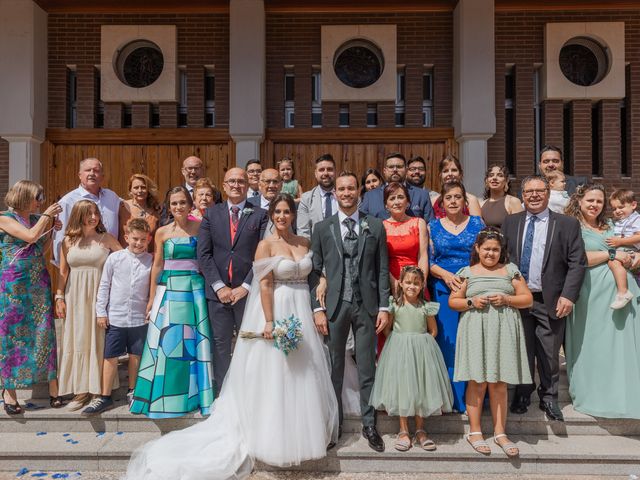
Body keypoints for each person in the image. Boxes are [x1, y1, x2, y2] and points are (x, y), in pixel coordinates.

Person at [124, 194, 339, 480]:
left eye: (288, 212)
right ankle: (272, 434)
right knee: (275, 370)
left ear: (294, 215)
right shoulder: (265, 245)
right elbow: (264, 285)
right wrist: (271, 321)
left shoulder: (304, 243)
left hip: (302, 311)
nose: (283, 217)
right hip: (276, 307)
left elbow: (313, 275)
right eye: (278, 212)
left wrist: (321, 281)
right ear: (272, 215)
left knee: (302, 369)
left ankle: (304, 429)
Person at [310, 172, 390, 452]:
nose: (346, 192)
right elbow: (314, 271)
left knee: (367, 367)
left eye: (351, 188)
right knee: (335, 369)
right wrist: (318, 308)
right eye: (341, 189)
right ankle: (335, 425)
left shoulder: (376, 226)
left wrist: (383, 306)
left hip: (366, 305)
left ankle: (370, 424)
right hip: (335, 305)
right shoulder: (322, 228)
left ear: (359, 192)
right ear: (336, 194)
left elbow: (381, 269)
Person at [502, 175, 586, 422]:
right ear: (522, 195)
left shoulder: (566, 224)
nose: (534, 195)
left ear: (548, 194)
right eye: (529, 192)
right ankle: (523, 392)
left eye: (540, 191)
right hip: (519, 298)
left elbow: (577, 262)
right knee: (523, 350)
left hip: (551, 298)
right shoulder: (510, 222)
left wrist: (569, 296)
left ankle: (549, 397)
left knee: (549, 352)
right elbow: (503, 260)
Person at [130, 187, 214, 418]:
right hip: (169, 290)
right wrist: (151, 297)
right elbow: (157, 264)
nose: (178, 207)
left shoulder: (201, 227)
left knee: (192, 342)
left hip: (193, 290)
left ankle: (194, 395)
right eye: (174, 203)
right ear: (170, 206)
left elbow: (206, 259)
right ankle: (165, 394)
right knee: (167, 342)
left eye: (182, 203)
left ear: (190, 205)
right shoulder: (162, 232)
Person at [449, 227, 533, 457]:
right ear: (477, 248)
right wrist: (471, 302)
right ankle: (475, 432)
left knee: (499, 383)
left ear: (501, 251)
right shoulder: (467, 272)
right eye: (486, 249)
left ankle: (500, 432)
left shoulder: (511, 271)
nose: (491, 253)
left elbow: (527, 299)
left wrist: (507, 299)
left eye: (495, 249)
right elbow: (453, 302)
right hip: (476, 328)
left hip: (504, 329)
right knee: (478, 381)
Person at [564, 184, 640, 419]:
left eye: (599, 201)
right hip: (590, 294)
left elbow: (630, 248)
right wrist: (612, 254)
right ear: (579, 201)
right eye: (590, 200)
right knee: (595, 345)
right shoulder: (571, 227)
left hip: (624, 295)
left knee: (622, 347)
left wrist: (636, 257)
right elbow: (576, 258)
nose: (595, 205)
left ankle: (627, 394)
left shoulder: (612, 226)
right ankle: (596, 393)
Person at [197, 168, 268, 391]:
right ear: (224, 185)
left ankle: (247, 388)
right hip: (218, 294)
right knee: (220, 343)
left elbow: (262, 255)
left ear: (248, 185)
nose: (236, 185)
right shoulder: (211, 214)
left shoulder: (260, 215)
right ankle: (223, 390)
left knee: (249, 341)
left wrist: (246, 286)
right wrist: (219, 287)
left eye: (241, 181)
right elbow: (204, 254)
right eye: (232, 181)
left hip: (247, 292)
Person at [370, 266, 452, 452]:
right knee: (402, 388)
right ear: (400, 283)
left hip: (421, 351)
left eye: (416, 283)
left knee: (420, 389)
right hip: (399, 349)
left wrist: (422, 345)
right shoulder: (395, 305)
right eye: (408, 282)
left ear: (422, 285)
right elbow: (387, 328)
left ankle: (421, 430)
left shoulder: (425, 307)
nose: (412, 286)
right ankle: (403, 430)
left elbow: (433, 331)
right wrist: (399, 342)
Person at [0, 181, 62, 414]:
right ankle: (9, 391)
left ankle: (53, 388)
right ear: (24, 196)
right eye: (38, 196)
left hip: (38, 280)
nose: (41, 201)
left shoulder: (37, 219)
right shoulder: (4, 218)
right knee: (11, 336)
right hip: (13, 284)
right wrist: (47, 217)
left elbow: (38, 248)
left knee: (43, 332)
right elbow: (29, 237)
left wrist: (52, 230)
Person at [55, 200, 122, 411]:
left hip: (99, 296)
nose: (94, 217)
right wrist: (59, 297)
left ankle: (98, 390)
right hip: (74, 296)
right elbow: (63, 272)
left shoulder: (107, 239)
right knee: (77, 338)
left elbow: (124, 264)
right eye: (88, 213)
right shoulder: (66, 242)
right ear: (78, 216)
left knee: (98, 339)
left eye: (96, 213)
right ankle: (80, 390)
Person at [82, 218, 153, 415]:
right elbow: (104, 285)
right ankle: (104, 397)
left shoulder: (151, 261)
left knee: (135, 355)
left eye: (143, 240)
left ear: (148, 240)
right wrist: (101, 312)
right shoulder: (115, 258)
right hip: (116, 317)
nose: (138, 243)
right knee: (110, 356)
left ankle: (133, 391)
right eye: (135, 239)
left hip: (140, 318)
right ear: (127, 237)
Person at [428, 181, 484, 412]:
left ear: (465, 201)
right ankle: (449, 397)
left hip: (473, 288)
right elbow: (427, 260)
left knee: (473, 341)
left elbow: (488, 254)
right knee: (448, 343)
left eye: (457, 197)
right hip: (443, 288)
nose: (453, 201)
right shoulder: (432, 226)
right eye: (448, 197)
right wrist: (445, 275)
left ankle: (475, 399)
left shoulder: (477, 223)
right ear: (442, 202)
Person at [379, 182, 429, 355]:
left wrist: (420, 283)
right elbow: (381, 260)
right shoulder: (381, 226)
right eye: (392, 198)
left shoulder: (419, 223)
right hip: (390, 281)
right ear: (386, 204)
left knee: (417, 327)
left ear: (408, 201)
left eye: (401, 197)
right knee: (392, 330)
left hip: (415, 281)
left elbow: (423, 255)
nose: (397, 201)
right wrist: (395, 284)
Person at [53, 158, 121, 265]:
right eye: (88, 170)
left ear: (102, 176)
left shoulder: (112, 197)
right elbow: (60, 237)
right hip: (84, 265)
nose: (92, 173)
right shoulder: (68, 201)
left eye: (96, 170)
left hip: (113, 264)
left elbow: (131, 207)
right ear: (79, 175)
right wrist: (64, 267)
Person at [360, 152, 434, 223]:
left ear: (406, 170)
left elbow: (430, 226)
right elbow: (362, 224)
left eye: (399, 167)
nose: (395, 170)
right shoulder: (370, 196)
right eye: (391, 167)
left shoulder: (422, 195)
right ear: (384, 171)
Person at [297, 153, 337, 239]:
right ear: (315, 173)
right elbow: (303, 231)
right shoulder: (306, 199)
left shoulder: (345, 196)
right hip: (316, 248)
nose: (326, 173)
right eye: (321, 170)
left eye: (329, 169)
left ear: (335, 172)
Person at [118, 174, 161, 249]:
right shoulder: (121, 207)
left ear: (148, 189)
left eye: (143, 187)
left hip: (148, 257)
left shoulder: (156, 209)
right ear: (130, 190)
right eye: (136, 188)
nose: (140, 190)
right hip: (125, 256)